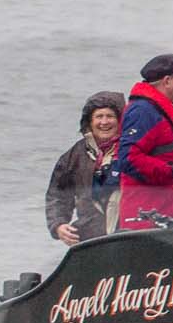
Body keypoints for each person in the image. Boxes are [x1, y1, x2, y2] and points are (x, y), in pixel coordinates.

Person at [114, 54, 173, 230]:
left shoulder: (154, 110)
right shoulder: (143, 112)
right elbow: (128, 159)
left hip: (164, 217)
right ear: (167, 81)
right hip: (146, 219)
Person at [43, 91, 123, 245]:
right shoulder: (76, 155)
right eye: (99, 117)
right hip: (89, 237)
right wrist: (58, 225)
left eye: (110, 116)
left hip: (128, 234)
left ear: (120, 121)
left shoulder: (132, 149)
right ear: (89, 122)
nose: (104, 122)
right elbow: (57, 194)